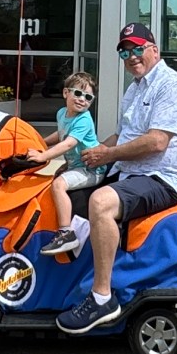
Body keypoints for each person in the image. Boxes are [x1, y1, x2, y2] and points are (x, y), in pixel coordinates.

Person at [56, 26, 177, 333]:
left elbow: (157, 142)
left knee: (100, 202)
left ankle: (102, 297)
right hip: (130, 171)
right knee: (69, 189)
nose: (132, 57)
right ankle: (70, 283)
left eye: (138, 49)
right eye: (125, 52)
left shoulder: (172, 86)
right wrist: (89, 156)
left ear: (154, 50)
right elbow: (122, 137)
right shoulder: (134, 88)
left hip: (163, 177)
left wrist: (107, 155)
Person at [35, 72, 102, 259]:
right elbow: (61, 134)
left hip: (91, 169)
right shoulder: (62, 113)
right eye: (78, 93)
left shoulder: (84, 119)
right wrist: (40, 143)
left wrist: (43, 156)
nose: (82, 99)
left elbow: (68, 143)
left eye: (88, 97)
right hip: (75, 165)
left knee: (59, 185)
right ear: (66, 93)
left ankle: (66, 233)